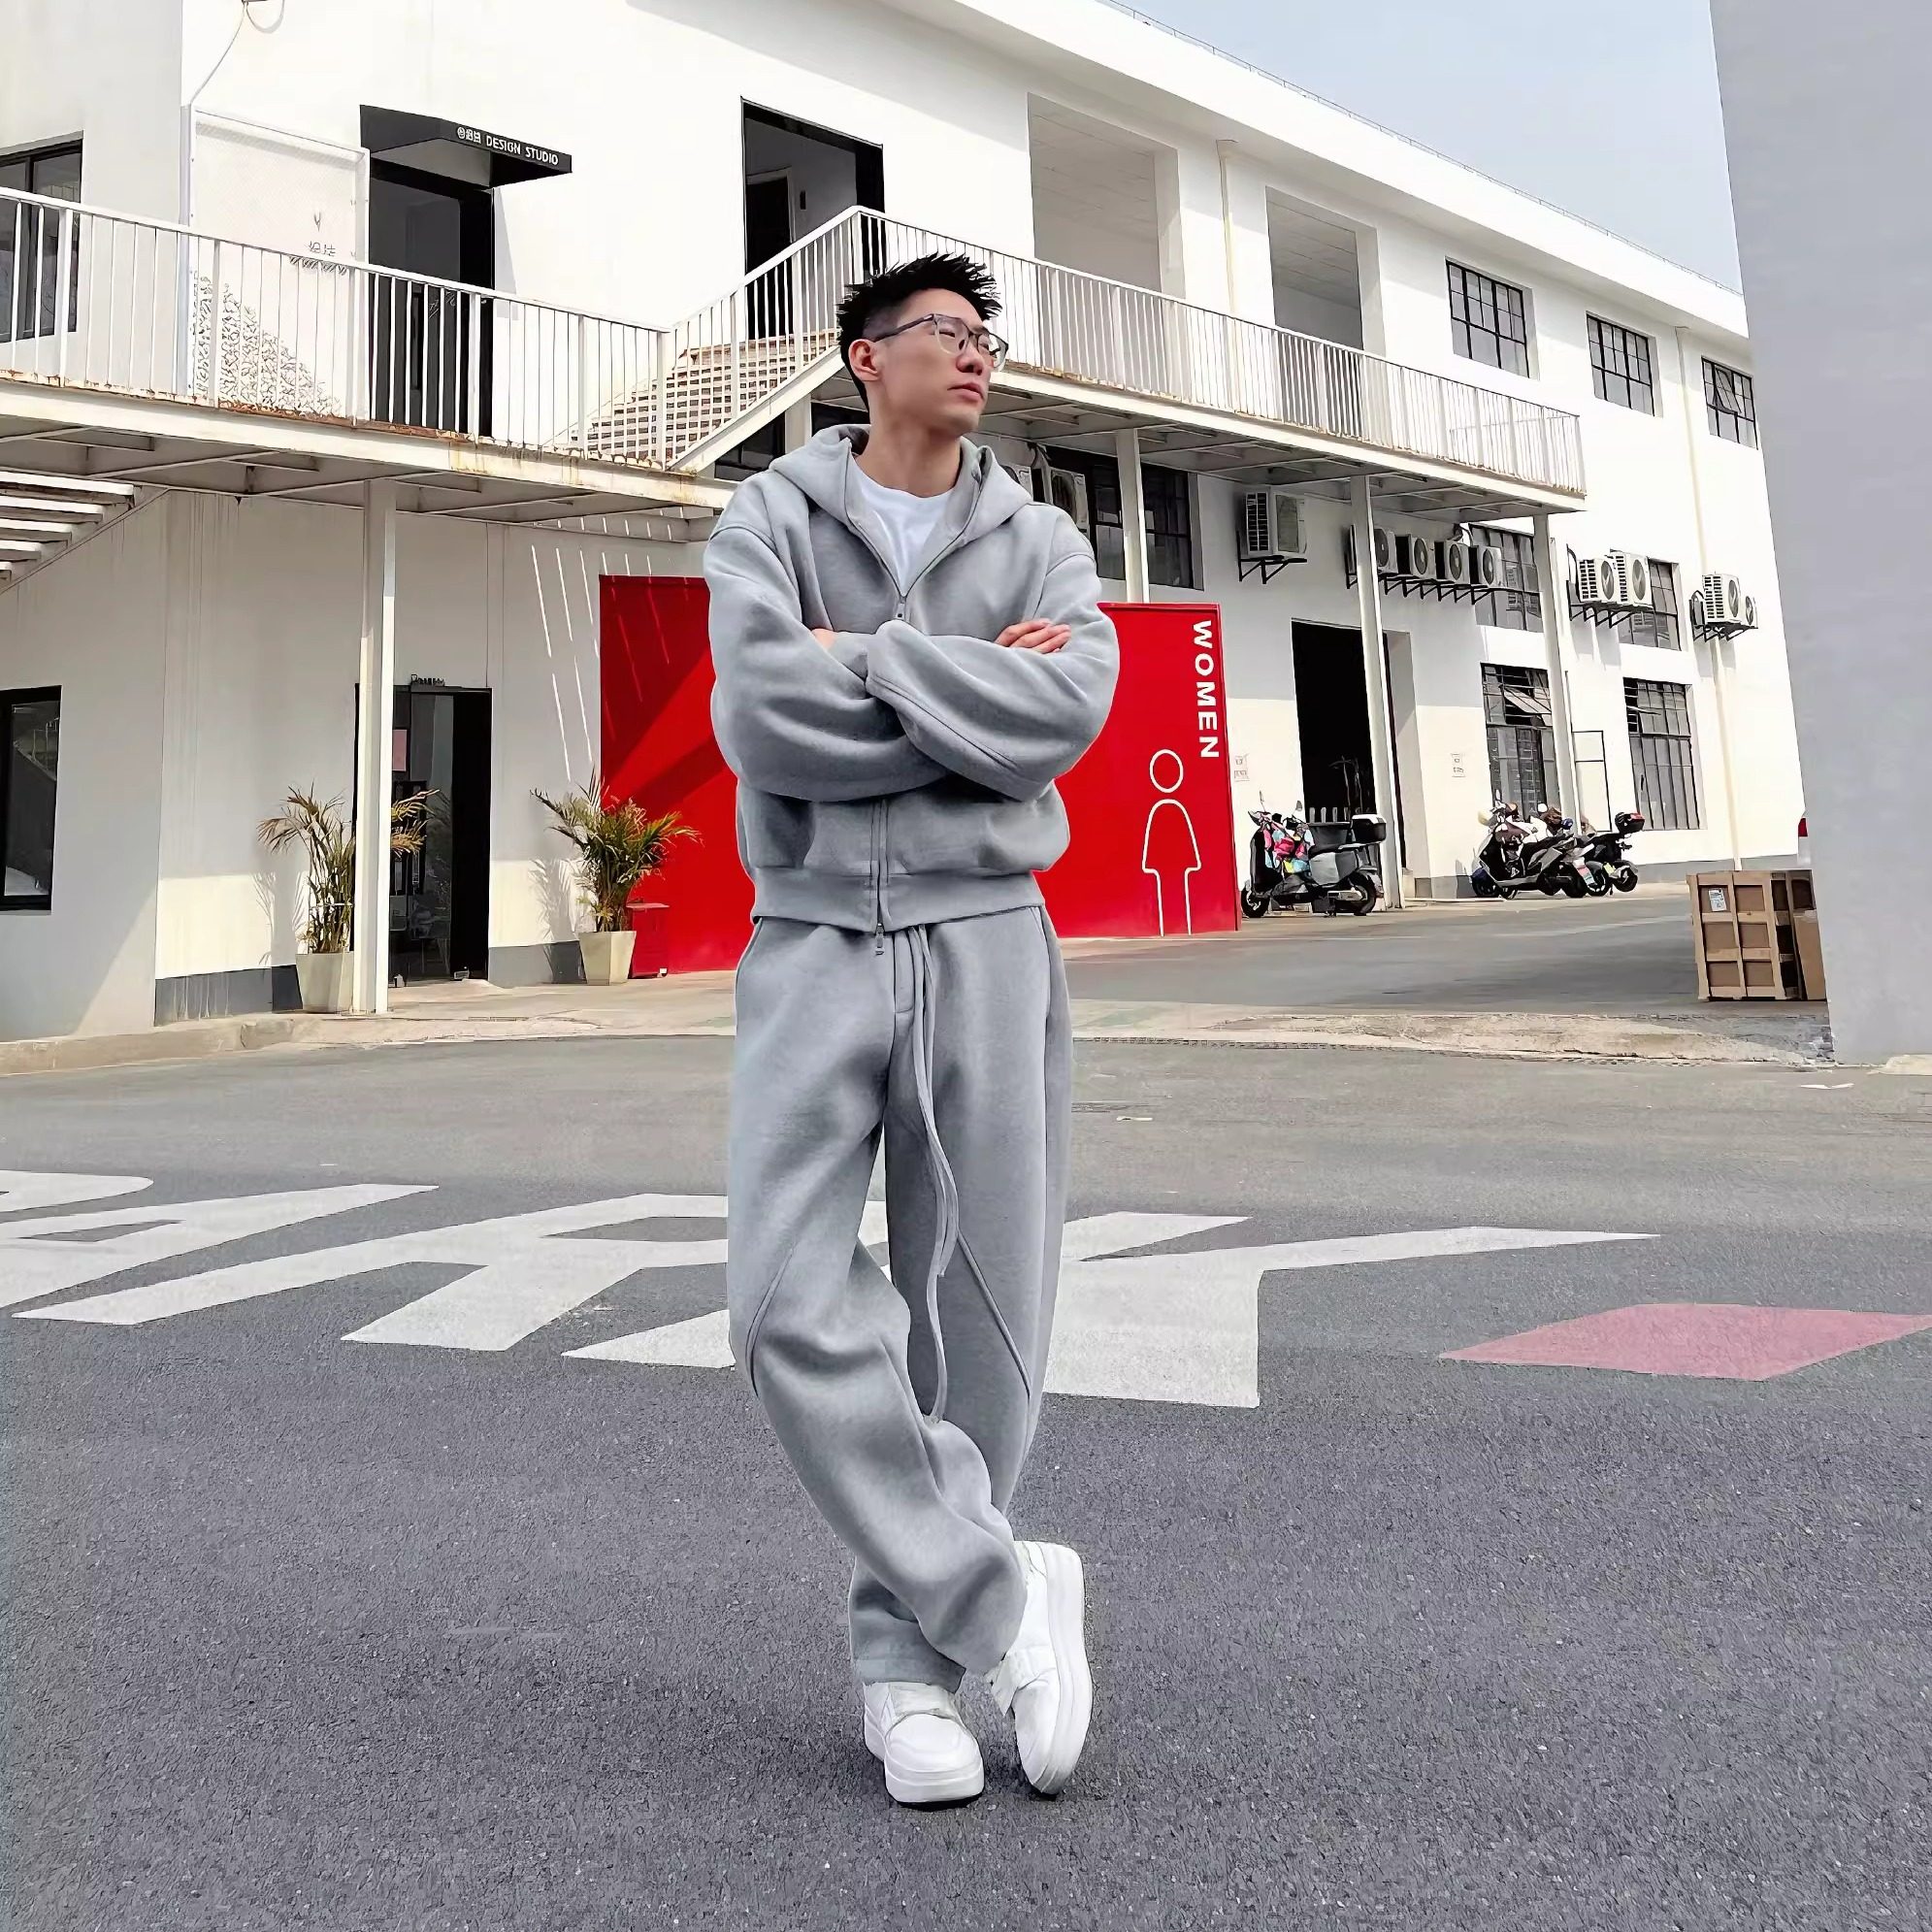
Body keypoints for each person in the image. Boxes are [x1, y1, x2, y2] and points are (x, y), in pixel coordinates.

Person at [703, 250, 1119, 1807]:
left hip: (989, 935)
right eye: (944, 330)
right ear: (864, 360)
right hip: (811, 935)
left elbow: (1061, 719)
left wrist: (865, 659)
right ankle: (1002, 1595)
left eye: (985, 333)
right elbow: (762, 717)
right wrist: (959, 694)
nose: (976, 352)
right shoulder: (764, 521)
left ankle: (907, 1678)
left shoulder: (1043, 538)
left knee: (982, 1313)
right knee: (781, 1299)